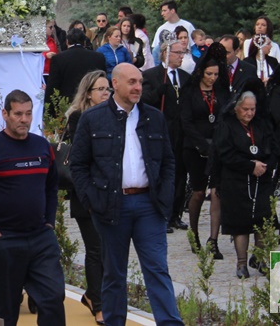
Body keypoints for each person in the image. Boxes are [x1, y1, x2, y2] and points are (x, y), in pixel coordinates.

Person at [69, 63, 182, 326]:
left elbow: (168, 161)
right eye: (131, 82)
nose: (138, 87)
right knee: (114, 274)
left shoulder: (154, 117)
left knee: (157, 269)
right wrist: (91, 201)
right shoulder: (93, 118)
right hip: (110, 206)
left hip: (148, 205)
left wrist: (164, 197)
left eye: (140, 82)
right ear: (115, 83)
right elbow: (78, 164)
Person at [0, 89, 66, 326]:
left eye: (28, 114)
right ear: (5, 114)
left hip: (41, 237)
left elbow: (52, 188)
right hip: (6, 239)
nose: (24, 120)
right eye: (18, 114)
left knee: (53, 297)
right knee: (6, 309)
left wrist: (49, 222)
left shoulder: (43, 147)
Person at [213, 91, 277, 278]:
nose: (249, 113)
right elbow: (225, 154)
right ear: (236, 109)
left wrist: (266, 166)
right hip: (237, 180)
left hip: (261, 179)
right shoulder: (227, 126)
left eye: (252, 109)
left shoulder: (261, 124)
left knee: (263, 220)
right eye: (246, 109)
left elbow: (273, 148)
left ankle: (260, 258)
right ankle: (241, 264)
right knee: (241, 223)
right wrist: (250, 166)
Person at [64, 71, 109, 325]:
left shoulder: (114, 115)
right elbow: (83, 157)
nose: (105, 93)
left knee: (107, 249)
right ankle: (99, 304)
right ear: (88, 93)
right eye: (100, 89)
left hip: (108, 192)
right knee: (95, 248)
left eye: (107, 89)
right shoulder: (78, 117)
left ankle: (93, 295)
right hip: (86, 191)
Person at [178, 54, 228, 259]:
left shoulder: (221, 91)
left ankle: (213, 239)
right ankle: (194, 232)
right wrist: (201, 144)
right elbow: (186, 121)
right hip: (194, 147)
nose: (212, 78)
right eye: (209, 74)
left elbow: (225, 115)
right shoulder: (190, 91)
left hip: (217, 146)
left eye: (216, 74)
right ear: (200, 73)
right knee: (198, 192)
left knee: (217, 192)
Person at [141, 40, 191, 232]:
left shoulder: (185, 78)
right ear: (165, 53)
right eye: (178, 53)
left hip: (181, 133)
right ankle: (161, 213)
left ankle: (175, 214)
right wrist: (157, 93)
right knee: (162, 174)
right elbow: (144, 100)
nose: (181, 56)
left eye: (183, 53)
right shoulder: (152, 76)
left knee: (179, 174)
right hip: (160, 132)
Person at [47, 28, 107, 103]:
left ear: (67, 42)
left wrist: (49, 111)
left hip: (67, 104)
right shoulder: (98, 57)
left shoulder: (58, 59)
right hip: (91, 102)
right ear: (84, 42)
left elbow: (52, 86)